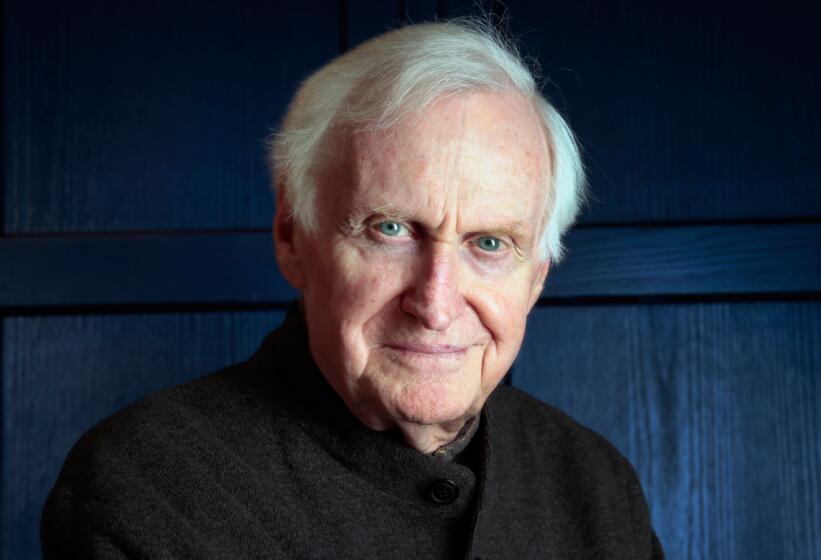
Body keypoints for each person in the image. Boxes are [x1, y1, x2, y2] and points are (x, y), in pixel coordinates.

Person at [42, 20, 664, 559]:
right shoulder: (145, 485)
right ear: (293, 235)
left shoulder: (598, 487)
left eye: (490, 244)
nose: (436, 304)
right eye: (390, 229)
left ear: (537, 277)